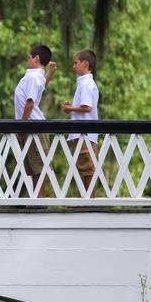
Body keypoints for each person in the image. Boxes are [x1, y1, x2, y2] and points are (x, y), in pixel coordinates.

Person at [14, 44, 57, 197]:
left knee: (38, 164)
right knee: (33, 165)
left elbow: (30, 102)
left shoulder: (32, 77)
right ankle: (36, 197)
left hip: (32, 126)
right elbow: (42, 86)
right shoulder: (35, 77)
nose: (27, 60)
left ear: (36, 58)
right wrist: (50, 72)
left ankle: (39, 198)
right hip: (30, 126)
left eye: (29, 57)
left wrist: (21, 125)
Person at [61, 49, 100, 195]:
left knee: (87, 168)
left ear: (85, 64)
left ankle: (89, 200)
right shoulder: (85, 83)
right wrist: (72, 107)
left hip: (85, 133)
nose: (73, 66)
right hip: (84, 133)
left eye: (75, 63)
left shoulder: (86, 84)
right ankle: (85, 199)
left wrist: (71, 108)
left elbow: (86, 107)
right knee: (82, 167)